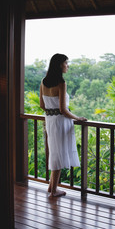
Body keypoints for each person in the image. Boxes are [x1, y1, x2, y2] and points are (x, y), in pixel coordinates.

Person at [40, 53, 87, 197]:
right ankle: (54, 191)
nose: (67, 65)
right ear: (60, 65)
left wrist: (51, 112)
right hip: (60, 121)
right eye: (66, 63)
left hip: (50, 120)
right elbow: (63, 109)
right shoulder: (61, 83)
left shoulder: (43, 81)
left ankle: (50, 187)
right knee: (59, 154)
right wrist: (77, 117)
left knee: (55, 151)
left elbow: (42, 105)